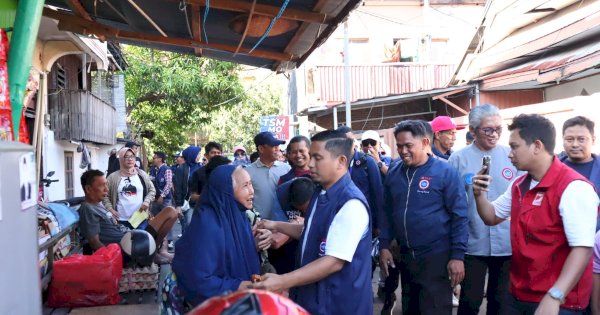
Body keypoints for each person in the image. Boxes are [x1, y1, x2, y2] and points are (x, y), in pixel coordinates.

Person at [472, 114, 599, 314]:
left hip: (559, 302)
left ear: (537, 146)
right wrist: (479, 195)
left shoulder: (574, 188)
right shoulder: (518, 184)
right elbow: (491, 216)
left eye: (515, 147)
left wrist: (555, 295)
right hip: (520, 293)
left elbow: (582, 249)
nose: (509, 154)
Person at [251, 130, 373, 315]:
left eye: (317, 158)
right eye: (311, 157)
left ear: (341, 161)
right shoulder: (320, 192)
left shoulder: (351, 203)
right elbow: (310, 231)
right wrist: (274, 224)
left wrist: (283, 281)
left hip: (337, 302)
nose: (310, 164)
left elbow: (333, 261)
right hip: (314, 297)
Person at [379, 120, 469, 315]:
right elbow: (386, 211)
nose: (403, 151)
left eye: (408, 146)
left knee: (434, 310)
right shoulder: (394, 172)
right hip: (405, 257)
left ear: (425, 142)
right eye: (399, 145)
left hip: (436, 257)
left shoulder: (446, 172)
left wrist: (457, 256)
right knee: (410, 308)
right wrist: (384, 245)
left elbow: (460, 216)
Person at [170, 165, 272, 308]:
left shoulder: (237, 214)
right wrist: (242, 286)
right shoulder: (207, 224)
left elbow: (230, 252)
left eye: (251, 184)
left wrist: (256, 243)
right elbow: (198, 279)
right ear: (227, 191)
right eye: (245, 186)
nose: (252, 191)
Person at [448, 104, 515, 315]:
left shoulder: (512, 156)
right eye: (488, 129)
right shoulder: (457, 160)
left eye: (498, 129)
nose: (494, 134)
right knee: (470, 302)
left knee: (501, 304)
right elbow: (450, 205)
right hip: (472, 244)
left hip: (507, 245)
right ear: (473, 130)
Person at [80, 169, 177, 263]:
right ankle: (150, 253)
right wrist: (110, 259)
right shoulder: (88, 208)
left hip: (133, 238)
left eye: (106, 184)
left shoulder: (98, 205)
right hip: (130, 246)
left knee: (171, 212)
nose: (107, 189)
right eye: (102, 185)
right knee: (170, 212)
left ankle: (151, 252)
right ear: (88, 189)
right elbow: (94, 241)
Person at [559, 116, 600, 230]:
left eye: (581, 139)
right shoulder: (551, 169)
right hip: (559, 238)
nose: (575, 144)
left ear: (593, 140)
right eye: (569, 139)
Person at [268, 177, 315, 274]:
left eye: (307, 209)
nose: (304, 212)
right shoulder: (281, 196)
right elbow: (277, 240)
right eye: (300, 210)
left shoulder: (322, 191)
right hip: (287, 252)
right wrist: (296, 223)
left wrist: (304, 223)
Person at [245, 132, 291, 220]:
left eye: (278, 146)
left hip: (284, 226)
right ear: (261, 149)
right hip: (260, 226)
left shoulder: (286, 169)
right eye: (274, 146)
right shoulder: (247, 172)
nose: (278, 149)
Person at [173, 146, 202, 231]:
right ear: (191, 155)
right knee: (188, 226)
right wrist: (178, 205)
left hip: (200, 202)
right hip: (187, 203)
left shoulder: (201, 167)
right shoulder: (181, 169)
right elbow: (178, 188)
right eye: (198, 154)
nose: (199, 156)